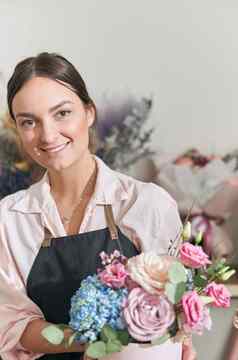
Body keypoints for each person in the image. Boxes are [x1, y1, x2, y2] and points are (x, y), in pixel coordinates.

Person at [0, 52, 196, 360]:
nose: (48, 134)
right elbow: (11, 325)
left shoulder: (146, 204)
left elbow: (174, 312)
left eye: (62, 113)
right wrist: (92, 341)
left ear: (89, 112)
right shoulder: (9, 219)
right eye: (29, 122)